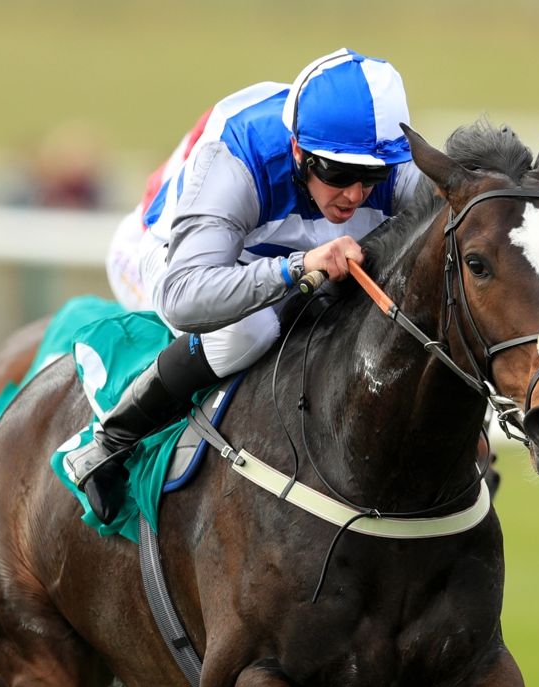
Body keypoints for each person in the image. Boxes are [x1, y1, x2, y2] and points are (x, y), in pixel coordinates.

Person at [75, 47, 421, 523]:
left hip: (272, 252)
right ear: (298, 151)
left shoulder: (387, 157)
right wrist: (296, 268)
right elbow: (184, 296)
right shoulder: (241, 157)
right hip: (166, 254)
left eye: (372, 178)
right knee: (248, 330)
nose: (355, 195)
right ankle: (112, 439)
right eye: (339, 174)